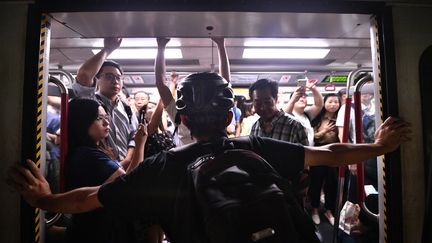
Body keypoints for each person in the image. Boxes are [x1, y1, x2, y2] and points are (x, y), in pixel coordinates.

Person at [8, 72, 411, 243]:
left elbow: (90, 198)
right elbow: (328, 154)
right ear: (229, 116)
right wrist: (379, 147)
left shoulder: (161, 167)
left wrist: (44, 200)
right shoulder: (253, 146)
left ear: (180, 117)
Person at [62, 98, 147, 242]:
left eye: (106, 117)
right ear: (82, 121)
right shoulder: (88, 156)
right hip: (100, 230)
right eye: (98, 118)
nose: (106, 122)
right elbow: (128, 185)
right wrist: (140, 145)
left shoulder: (93, 152)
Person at [73, 37, 138, 170]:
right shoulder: (90, 103)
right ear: (97, 79)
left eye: (118, 77)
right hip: (99, 167)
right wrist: (107, 49)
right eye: (109, 76)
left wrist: (127, 160)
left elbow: (134, 136)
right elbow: (84, 75)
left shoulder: (127, 108)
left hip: (126, 168)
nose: (115, 81)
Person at [155, 37, 230, 146]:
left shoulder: (180, 116)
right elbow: (226, 82)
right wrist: (221, 45)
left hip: (187, 162)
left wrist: (161, 47)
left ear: (184, 120)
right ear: (228, 119)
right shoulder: (216, 112)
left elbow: (160, 85)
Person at [308, 93, 342, 225]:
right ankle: (315, 209)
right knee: (316, 182)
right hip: (318, 153)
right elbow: (312, 137)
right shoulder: (317, 118)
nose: (333, 105)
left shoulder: (340, 119)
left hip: (334, 155)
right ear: (324, 103)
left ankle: (329, 210)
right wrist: (324, 131)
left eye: (336, 102)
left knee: (332, 184)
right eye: (330, 102)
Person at [249, 78, 309, 146]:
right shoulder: (255, 127)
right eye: (258, 103)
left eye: (267, 102)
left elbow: (307, 155)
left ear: (276, 99)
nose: (263, 107)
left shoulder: (295, 126)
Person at [285, 81, 324, 146]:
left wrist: (313, 89)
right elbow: (284, 115)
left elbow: (319, 105)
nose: (302, 99)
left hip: (309, 150)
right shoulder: (290, 114)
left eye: (304, 97)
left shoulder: (307, 114)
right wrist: (294, 98)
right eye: (299, 97)